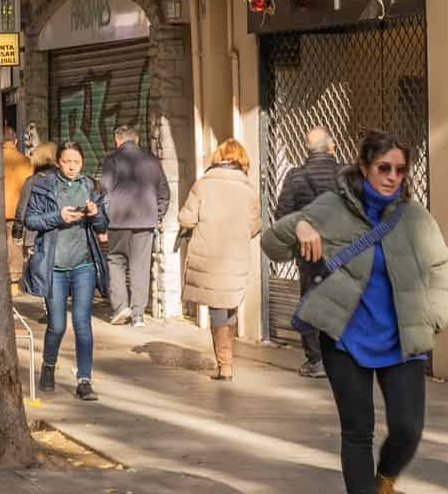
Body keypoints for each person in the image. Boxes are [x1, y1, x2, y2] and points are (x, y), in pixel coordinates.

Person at [264, 131, 448, 494]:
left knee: (408, 429)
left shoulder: (413, 216)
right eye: (384, 167)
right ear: (364, 168)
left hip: (402, 338)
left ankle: (385, 481)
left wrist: (435, 315)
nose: (392, 176)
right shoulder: (331, 207)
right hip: (345, 338)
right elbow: (273, 245)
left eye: (400, 169)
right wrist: (299, 224)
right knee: (358, 429)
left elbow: (441, 265)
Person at [23, 140, 110, 401]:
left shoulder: (91, 187)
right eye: (67, 162)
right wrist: (58, 217)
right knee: (57, 325)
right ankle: (48, 366)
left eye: (77, 162)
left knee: (82, 323)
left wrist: (95, 215)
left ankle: (84, 380)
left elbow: (104, 224)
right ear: (58, 163)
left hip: (83, 263)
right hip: (55, 265)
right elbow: (31, 220)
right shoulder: (43, 185)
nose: (72, 167)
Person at [178, 139, 261, 381]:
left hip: (208, 255)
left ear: (218, 158)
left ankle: (225, 366)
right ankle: (227, 362)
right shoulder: (248, 188)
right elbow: (255, 225)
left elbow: (187, 218)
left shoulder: (203, 185)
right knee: (229, 305)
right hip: (236, 255)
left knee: (217, 309)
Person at [275, 126, 341, 379]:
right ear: (332, 147)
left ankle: (316, 361)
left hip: (309, 253)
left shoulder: (295, 176)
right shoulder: (346, 175)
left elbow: (283, 215)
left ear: (307, 150)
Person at [98, 125, 169, 326]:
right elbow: (164, 192)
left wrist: (104, 221)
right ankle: (138, 314)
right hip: (145, 222)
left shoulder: (111, 160)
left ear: (117, 140)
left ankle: (121, 308)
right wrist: (157, 215)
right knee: (140, 266)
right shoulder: (153, 161)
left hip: (118, 222)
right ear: (137, 140)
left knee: (116, 261)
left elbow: (105, 193)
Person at [13, 142, 58, 266]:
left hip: (34, 236)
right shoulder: (62, 179)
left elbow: (22, 209)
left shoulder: (32, 181)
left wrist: (17, 232)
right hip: (60, 235)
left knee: (36, 274)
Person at [2, 126, 31, 281]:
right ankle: (14, 282)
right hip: (18, 212)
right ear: (16, 141)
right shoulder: (26, 162)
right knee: (15, 247)